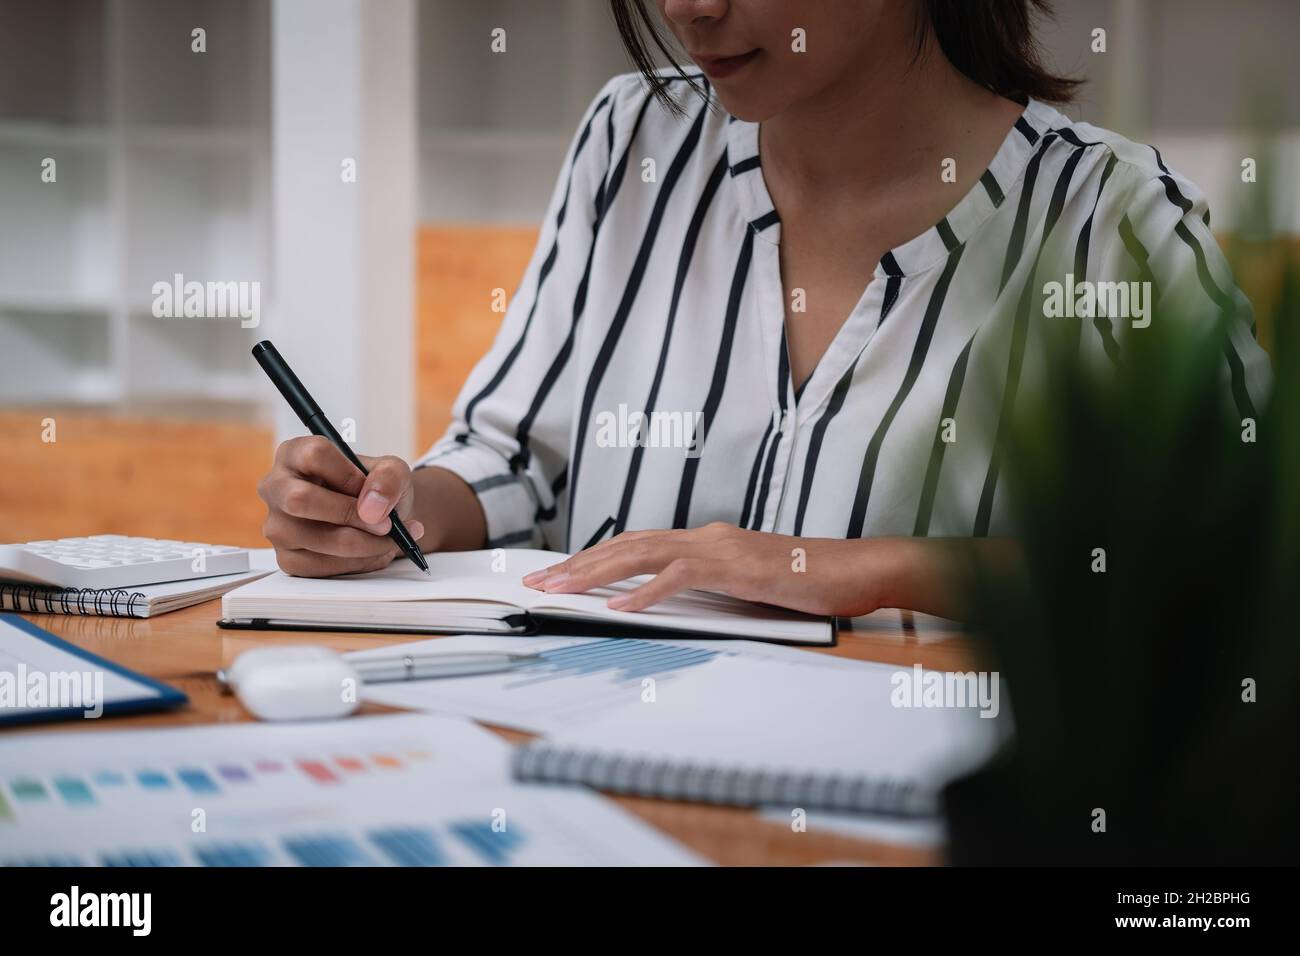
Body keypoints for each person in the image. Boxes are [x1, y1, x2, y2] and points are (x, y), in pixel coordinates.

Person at [257, 0, 1270, 620]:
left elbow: (1236, 562)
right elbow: (519, 457)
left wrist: (863, 569)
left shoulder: (1110, 216)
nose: (689, 6)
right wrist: (394, 511)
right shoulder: (632, 139)